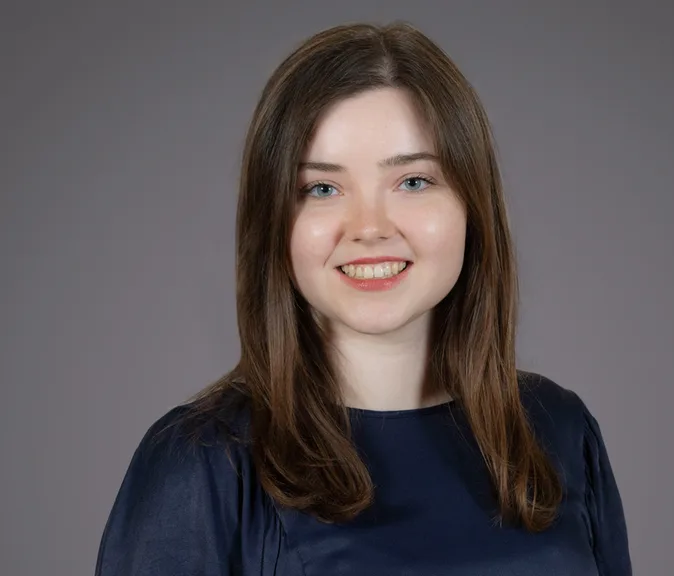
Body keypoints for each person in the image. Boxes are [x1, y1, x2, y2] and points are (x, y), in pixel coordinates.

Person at [95, 21, 631, 576]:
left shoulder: (560, 432)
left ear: (472, 205)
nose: (369, 227)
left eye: (414, 181)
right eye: (322, 189)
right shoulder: (202, 462)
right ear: (274, 222)